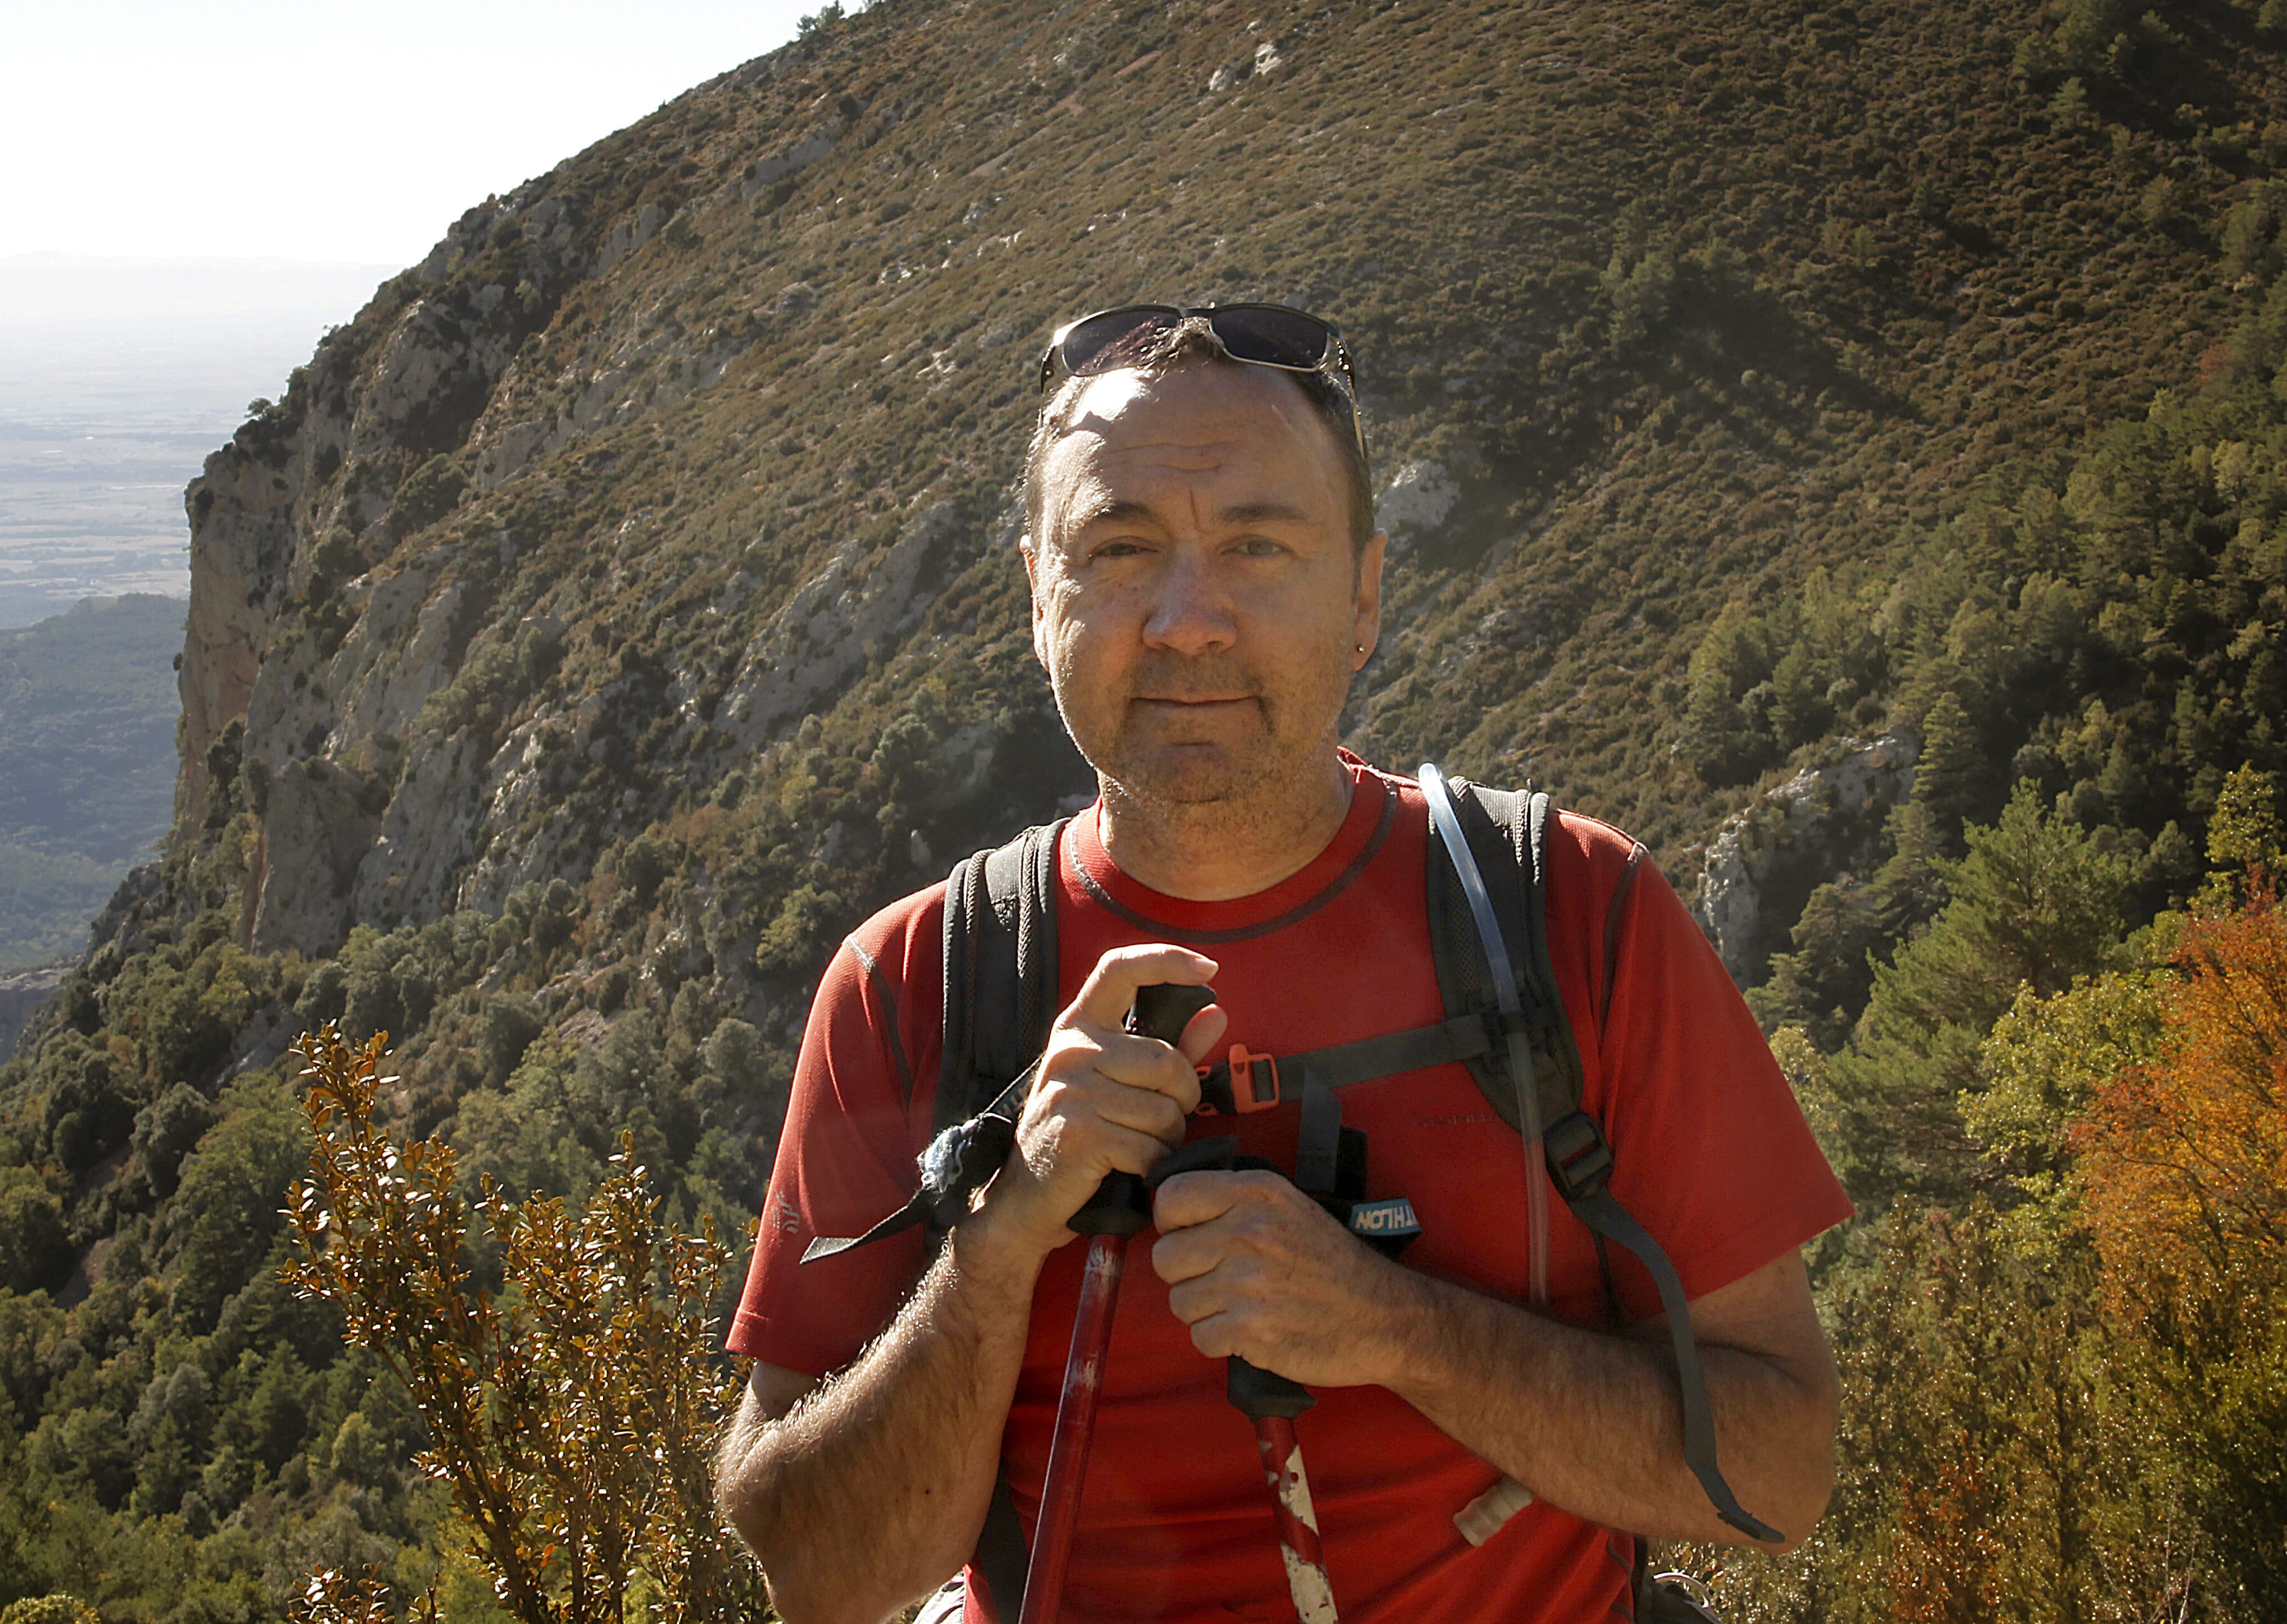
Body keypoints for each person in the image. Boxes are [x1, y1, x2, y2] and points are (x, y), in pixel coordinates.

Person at [713, 303, 1851, 1624]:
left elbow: (1774, 1472)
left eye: (1256, 546)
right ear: (1038, 598)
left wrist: (1390, 1326)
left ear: (1364, 596)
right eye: (1120, 549)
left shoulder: (1573, 916)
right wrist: (1001, 1237)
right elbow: (813, 1574)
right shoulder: (914, 982)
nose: (1188, 622)